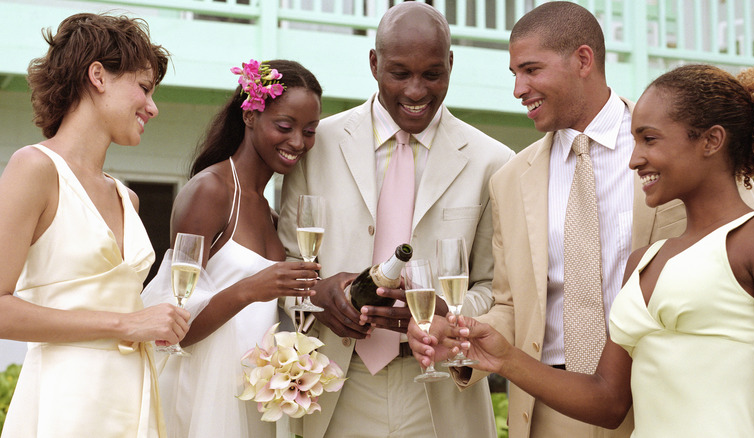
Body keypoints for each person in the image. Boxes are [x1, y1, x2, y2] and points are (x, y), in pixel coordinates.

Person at [407, 2, 754, 438]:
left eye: (531, 70)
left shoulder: (680, 143)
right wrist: (462, 337)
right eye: (513, 74)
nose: (519, 89)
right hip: (549, 403)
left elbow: (742, 254)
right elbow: (511, 304)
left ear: (582, 60)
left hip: (660, 402)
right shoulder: (509, 180)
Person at [276, 2, 514, 437]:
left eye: (432, 74)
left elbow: (494, 290)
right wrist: (317, 297)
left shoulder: (493, 162)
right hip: (335, 383)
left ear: (451, 65)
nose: (417, 91)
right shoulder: (317, 143)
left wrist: (449, 313)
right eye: (400, 73)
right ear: (374, 63)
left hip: (442, 391)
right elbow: (288, 265)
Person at [0, 13, 189, 438]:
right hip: (65, 404)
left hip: (134, 398)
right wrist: (126, 324)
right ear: (98, 76)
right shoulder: (34, 168)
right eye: (143, 88)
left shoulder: (128, 198)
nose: (153, 107)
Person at [141, 59, 322, 438]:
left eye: (309, 131)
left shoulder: (272, 214)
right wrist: (251, 289)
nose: (297, 142)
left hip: (251, 398)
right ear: (251, 115)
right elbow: (172, 328)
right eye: (285, 126)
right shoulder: (211, 192)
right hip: (201, 399)